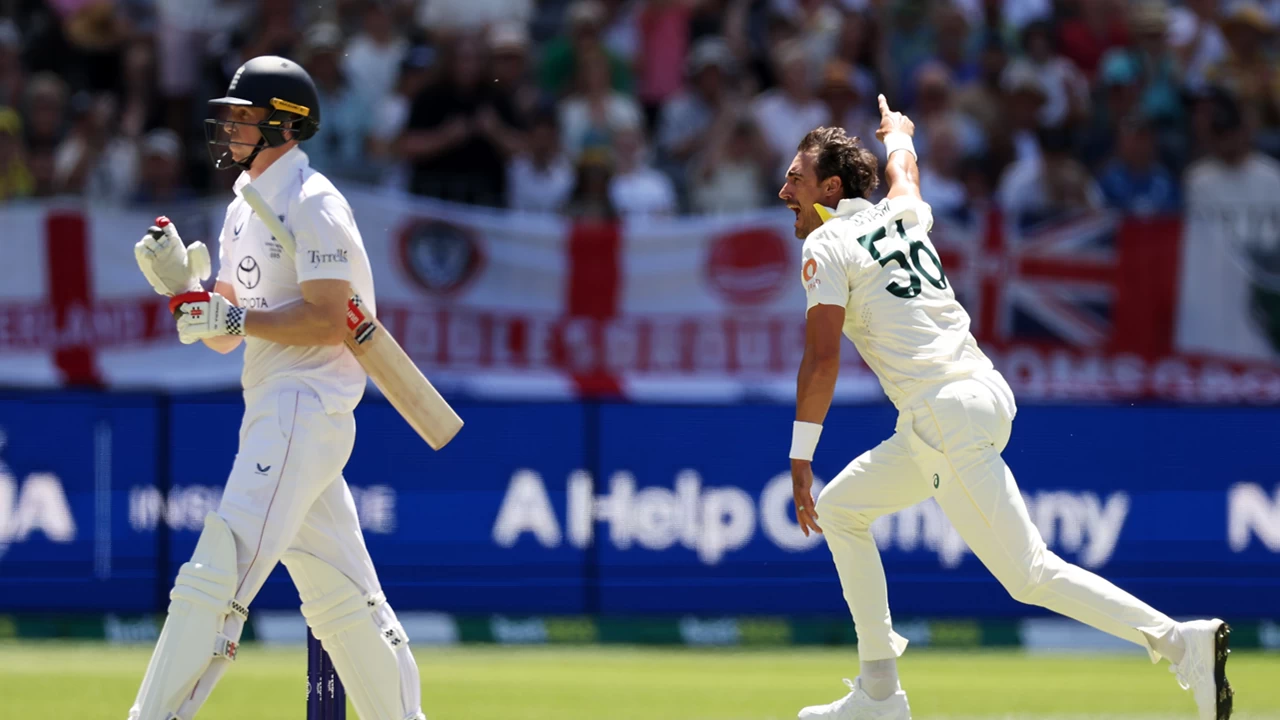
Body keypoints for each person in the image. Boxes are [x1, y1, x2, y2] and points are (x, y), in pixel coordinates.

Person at [777, 96, 1233, 720]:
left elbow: (822, 361)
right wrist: (900, 136)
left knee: (1030, 574)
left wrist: (801, 456)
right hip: (973, 397)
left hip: (941, 411)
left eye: (795, 179)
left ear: (829, 187)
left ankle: (1181, 643)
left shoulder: (826, 244)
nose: (784, 192)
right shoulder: (903, 213)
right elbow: (904, 173)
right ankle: (879, 691)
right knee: (842, 509)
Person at [126, 56, 426, 720]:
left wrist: (230, 315)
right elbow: (225, 332)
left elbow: (329, 319)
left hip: (306, 406)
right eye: (228, 114)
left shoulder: (315, 202)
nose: (228, 125)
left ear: (284, 125)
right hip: (273, 407)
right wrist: (185, 289)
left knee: (217, 572)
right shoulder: (243, 208)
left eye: (242, 115)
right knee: (343, 599)